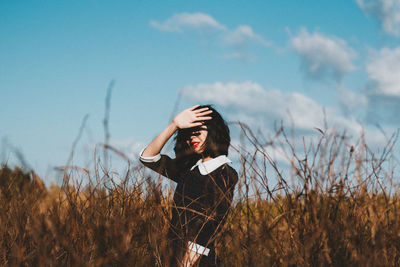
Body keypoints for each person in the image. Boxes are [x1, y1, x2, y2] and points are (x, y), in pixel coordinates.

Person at [139, 105, 238, 267]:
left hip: (196, 262)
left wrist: (184, 264)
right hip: (173, 256)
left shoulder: (223, 173)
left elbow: (208, 229)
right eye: (189, 133)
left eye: (198, 132)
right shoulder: (190, 171)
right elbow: (148, 158)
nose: (193, 137)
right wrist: (174, 125)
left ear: (213, 132)